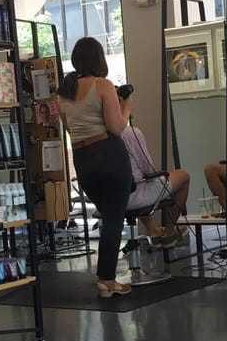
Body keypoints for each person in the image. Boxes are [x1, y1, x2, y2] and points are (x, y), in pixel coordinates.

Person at [57, 36, 134, 298]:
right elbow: (117, 127)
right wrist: (126, 107)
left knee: (109, 216)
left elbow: (71, 130)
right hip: (108, 154)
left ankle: (106, 276)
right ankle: (107, 279)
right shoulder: (102, 85)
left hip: (82, 159)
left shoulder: (63, 93)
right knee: (114, 218)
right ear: (99, 59)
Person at [121, 117, 190, 247]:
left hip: (108, 201)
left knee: (137, 183)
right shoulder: (129, 133)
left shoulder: (97, 137)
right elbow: (148, 169)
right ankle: (169, 234)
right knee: (183, 176)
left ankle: (155, 232)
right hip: (133, 196)